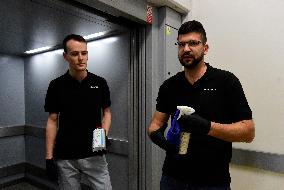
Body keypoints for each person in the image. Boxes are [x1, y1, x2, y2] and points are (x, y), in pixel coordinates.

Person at [147, 20, 255, 190]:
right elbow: (155, 124)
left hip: (213, 182)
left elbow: (248, 132)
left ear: (205, 48)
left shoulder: (226, 82)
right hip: (172, 179)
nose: (186, 49)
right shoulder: (169, 86)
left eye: (193, 43)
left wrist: (207, 127)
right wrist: (162, 141)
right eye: (181, 44)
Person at [44, 34, 112, 190]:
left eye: (84, 53)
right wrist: (49, 157)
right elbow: (52, 120)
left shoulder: (99, 83)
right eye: (75, 54)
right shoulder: (56, 85)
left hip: (95, 155)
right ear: (65, 56)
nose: (81, 58)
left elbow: (106, 113)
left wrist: (102, 138)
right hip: (66, 157)